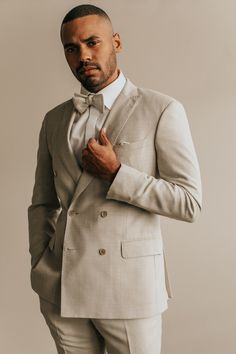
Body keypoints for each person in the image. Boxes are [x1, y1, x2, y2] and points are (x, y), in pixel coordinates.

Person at [28, 4, 202, 354]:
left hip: (129, 290)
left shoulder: (161, 109)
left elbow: (189, 202)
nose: (84, 55)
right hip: (62, 286)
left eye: (93, 42)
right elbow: (43, 203)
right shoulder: (54, 119)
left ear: (116, 42)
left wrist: (117, 173)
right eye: (71, 48)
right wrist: (40, 263)